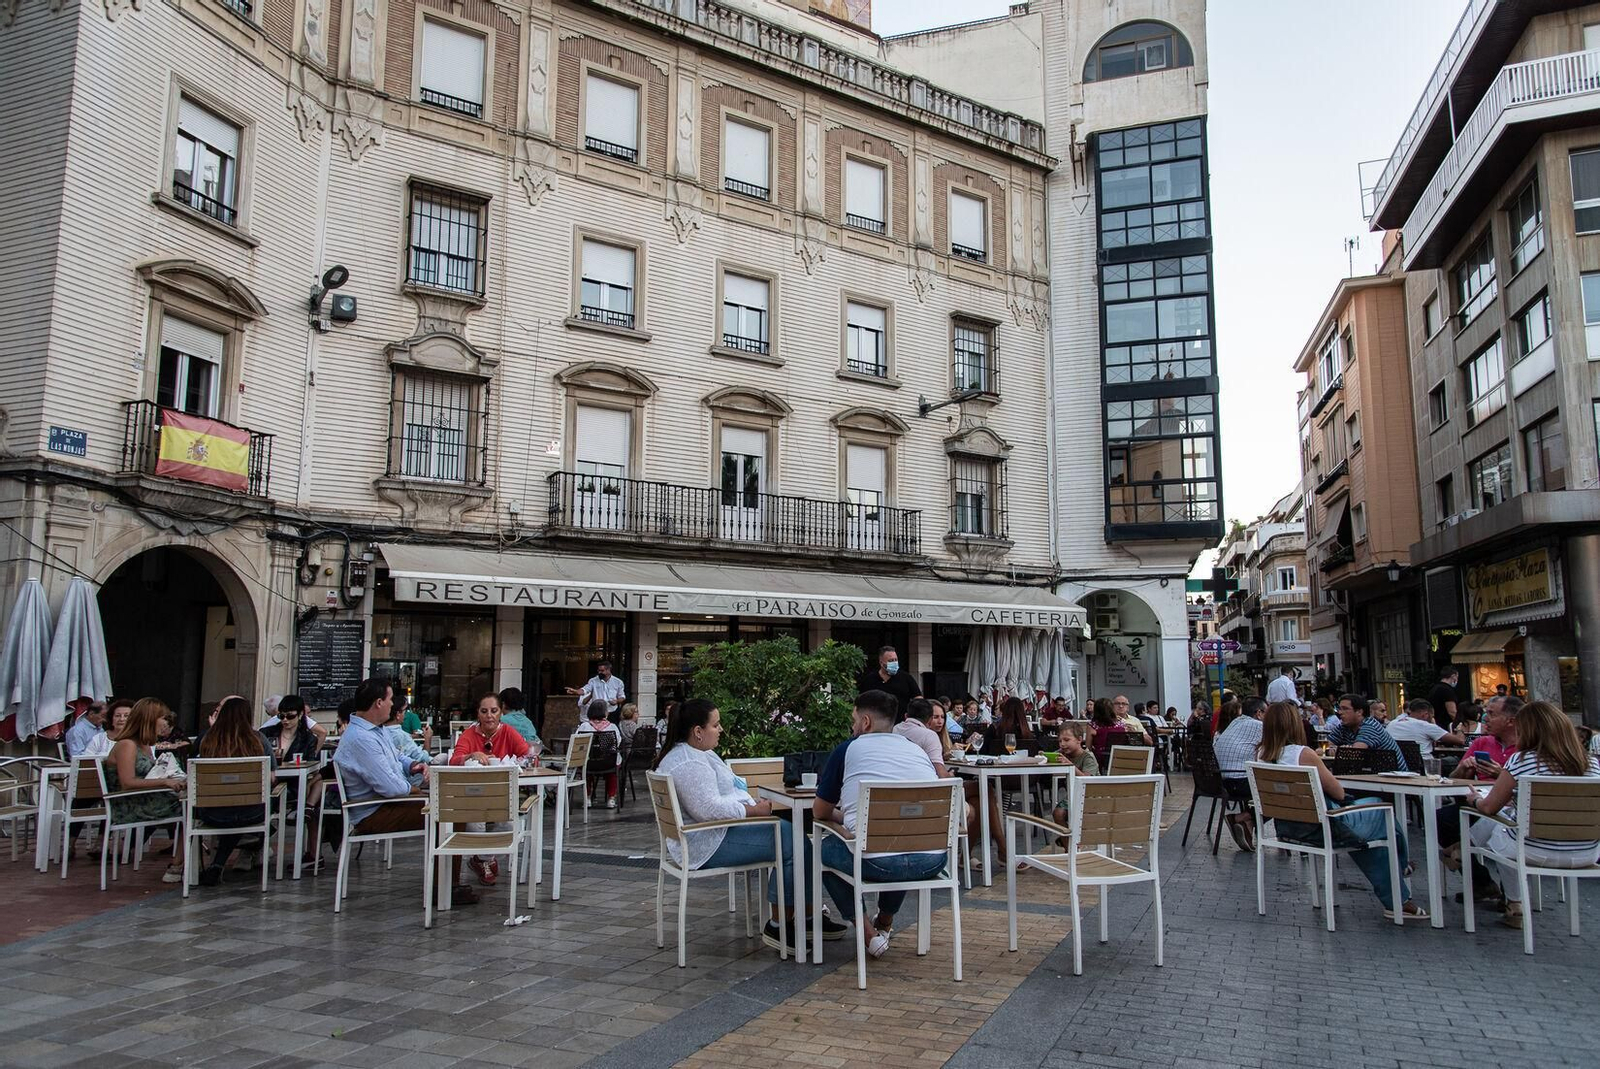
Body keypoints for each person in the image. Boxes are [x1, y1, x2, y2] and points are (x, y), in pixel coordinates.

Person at [652, 698, 845, 949]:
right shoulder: (690, 763)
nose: (721, 730)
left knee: (793, 836)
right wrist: (752, 810)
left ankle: (806, 917)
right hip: (706, 842)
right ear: (698, 732)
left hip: (710, 835)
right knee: (794, 842)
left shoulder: (695, 754)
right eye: (715, 725)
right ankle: (780, 925)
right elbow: (708, 810)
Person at [1256, 700, 1425, 919]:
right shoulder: (1303, 754)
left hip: (1290, 828)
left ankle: (1398, 897)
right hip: (1322, 828)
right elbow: (1338, 792)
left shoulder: (1261, 754)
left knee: (1365, 835)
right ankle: (1400, 870)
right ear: (1294, 725)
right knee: (1381, 811)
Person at [814, 689, 943, 959]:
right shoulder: (916, 750)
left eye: (854, 720)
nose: (852, 727)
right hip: (932, 859)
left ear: (865, 722)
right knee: (900, 838)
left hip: (877, 862)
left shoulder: (848, 749)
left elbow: (820, 811)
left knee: (822, 852)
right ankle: (884, 922)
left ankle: (867, 933)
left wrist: (845, 818)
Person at [336, 678, 477, 904]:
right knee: (450, 811)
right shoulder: (362, 739)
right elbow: (390, 787)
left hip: (386, 804)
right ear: (379, 703)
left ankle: (446, 882)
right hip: (374, 812)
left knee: (449, 805)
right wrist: (415, 790)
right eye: (390, 699)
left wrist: (412, 765)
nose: (393, 705)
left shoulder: (375, 730)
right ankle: (445, 888)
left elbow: (397, 756)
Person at [1469, 701, 1600, 929]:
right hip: (1586, 852)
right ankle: (1461, 851)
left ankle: (1514, 901)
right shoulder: (1592, 764)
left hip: (1534, 850)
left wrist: (1475, 800)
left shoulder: (1522, 760)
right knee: (1509, 821)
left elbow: (1489, 808)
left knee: (1502, 828)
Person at [447, 692, 528, 885]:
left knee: (508, 825)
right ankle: (484, 860)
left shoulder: (508, 732)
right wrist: (470, 756)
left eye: (494, 711)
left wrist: (518, 762)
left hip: (500, 794)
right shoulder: (469, 734)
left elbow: (527, 754)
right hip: (473, 795)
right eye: (484, 711)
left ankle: (482, 859)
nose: (489, 716)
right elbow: (453, 760)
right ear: (478, 713)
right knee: (475, 823)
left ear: (501, 712)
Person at [105, 698, 187, 883]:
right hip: (131, 805)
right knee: (194, 809)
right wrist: (165, 782)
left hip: (147, 799)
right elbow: (127, 782)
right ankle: (178, 865)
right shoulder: (127, 745)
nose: (166, 723)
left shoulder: (145, 745)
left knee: (195, 803)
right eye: (163, 718)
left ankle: (183, 864)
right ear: (150, 719)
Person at [193, 696, 271, 887]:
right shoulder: (258, 740)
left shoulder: (206, 740)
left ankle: (211, 865)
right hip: (251, 813)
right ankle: (252, 843)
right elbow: (271, 777)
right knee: (269, 802)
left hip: (212, 813)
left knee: (230, 806)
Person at [1213, 695, 1267, 851]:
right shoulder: (1259, 726)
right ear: (1259, 713)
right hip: (1239, 782)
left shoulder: (1235, 722)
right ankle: (1242, 818)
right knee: (1280, 792)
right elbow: (1278, 749)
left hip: (1222, 781)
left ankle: (1247, 823)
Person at [260, 694, 324, 815]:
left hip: (292, 784)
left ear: (300, 715)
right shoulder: (266, 733)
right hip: (266, 782)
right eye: (281, 716)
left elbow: (311, 765)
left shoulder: (308, 739)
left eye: (290, 716)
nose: (285, 720)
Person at [1451, 696, 1521, 781]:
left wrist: (1501, 775)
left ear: (1511, 721)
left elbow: (1531, 786)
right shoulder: (1481, 742)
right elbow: (1452, 780)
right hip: (1479, 789)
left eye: (1491, 714)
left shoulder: (1528, 748)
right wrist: (1463, 768)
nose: (1485, 718)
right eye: (1486, 713)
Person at [1325, 692, 1403, 764]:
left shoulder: (1370, 726)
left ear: (1359, 712)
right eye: (1339, 709)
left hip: (1391, 773)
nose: (1340, 712)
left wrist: (1336, 750)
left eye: (1345, 709)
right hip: (1368, 771)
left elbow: (1355, 753)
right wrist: (1335, 750)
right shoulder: (1344, 726)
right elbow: (1323, 747)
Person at [574, 698, 623, 808]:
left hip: (588, 762)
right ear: (605, 713)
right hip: (608, 763)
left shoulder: (584, 726)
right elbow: (618, 742)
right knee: (613, 771)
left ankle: (587, 798)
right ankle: (611, 798)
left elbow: (577, 743)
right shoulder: (612, 727)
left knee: (586, 771)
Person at [1386, 698, 1466, 763]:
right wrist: (1459, 728)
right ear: (1426, 715)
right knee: (1457, 760)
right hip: (1424, 765)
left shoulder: (1392, 724)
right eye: (1432, 716)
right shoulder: (1426, 726)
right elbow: (1460, 740)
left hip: (1397, 764)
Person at [855, 645, 921, 716]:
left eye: (896, 660)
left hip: (902, 721)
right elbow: (860, 702)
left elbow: (918, 698)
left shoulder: (906, 678)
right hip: (878, 721)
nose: (894, 663)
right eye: (891, 661)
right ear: (881, 663)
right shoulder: (869, 680)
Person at [894, 698, 950, 776]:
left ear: (906, 716)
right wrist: (951, 776)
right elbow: (941, 774)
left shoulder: (895, 729)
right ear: (930, 719)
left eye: (942, 717)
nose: (940, 721)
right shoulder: (929, 735)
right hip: (919, 780)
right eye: (935, 717)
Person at [1088, 698, 1132, 767]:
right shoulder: (1121, 724)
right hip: (1119, 757)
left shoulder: (1092, 726)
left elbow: (1088, 748)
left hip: (1100, 759)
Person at [1428, 666, 1461, 732]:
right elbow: (1452, 712)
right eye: (1457, 677)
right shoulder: (1447, 690)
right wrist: (1460, 724)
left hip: (1435, 724)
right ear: (1453, 676)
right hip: (1446, 726)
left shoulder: (1434, 688)